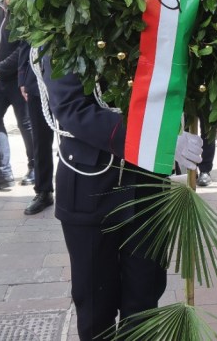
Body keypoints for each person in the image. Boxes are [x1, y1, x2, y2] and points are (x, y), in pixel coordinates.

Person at [38, 53, 202, 340]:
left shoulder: (156, 24)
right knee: (94, 306)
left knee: (144, 301)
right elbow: (72, 108)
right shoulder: (64, 33)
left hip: (147, 185)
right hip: (90, 187)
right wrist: (158, 140)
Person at [0, 0, 34, 190]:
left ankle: (34, 168)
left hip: (18, 78)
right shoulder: (0, 8)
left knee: (26, 122)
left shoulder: (26, 7)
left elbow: (23, 49)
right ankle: (3, 172)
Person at [19, 43, 53, 215]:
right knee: (40, 140)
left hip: (68, 75)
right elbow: (25, 43)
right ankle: (43, 191)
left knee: (74, 138)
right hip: (36, 82)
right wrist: (23, 79)